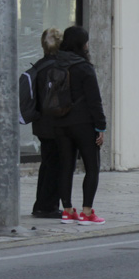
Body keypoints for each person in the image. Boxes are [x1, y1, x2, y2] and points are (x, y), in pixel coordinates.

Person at [53, 26, 107, 225]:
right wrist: (101, 127)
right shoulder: (84, 67)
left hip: (60, 123)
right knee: (92, 167)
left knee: (65, 166)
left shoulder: (55, 65)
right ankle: (86, 212)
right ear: (82, 44)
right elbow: (95, 100)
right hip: (83, 123)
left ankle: (67, 210)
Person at [30, 28, 63, 218]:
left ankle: (41, 204)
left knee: (48, 163)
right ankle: (48, 206)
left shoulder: (39, 66)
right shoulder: (58, 68)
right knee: (56, 165)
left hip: (41, 124)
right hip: (56, 124)